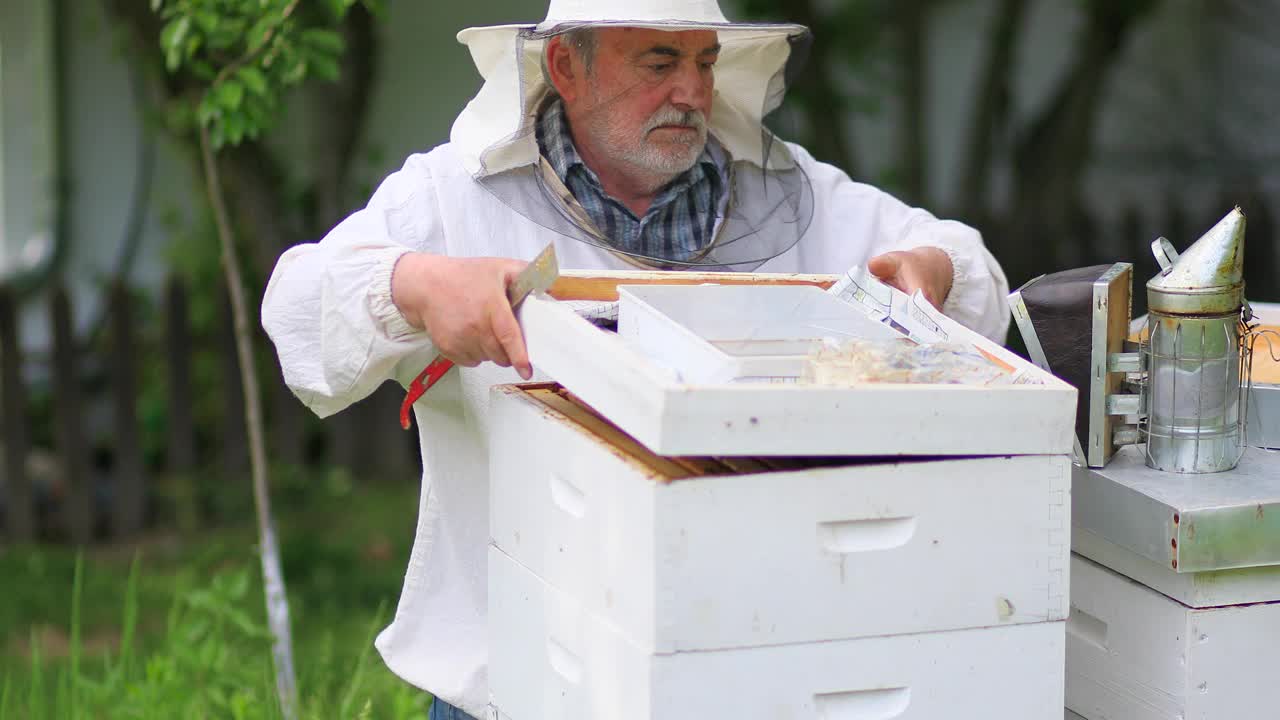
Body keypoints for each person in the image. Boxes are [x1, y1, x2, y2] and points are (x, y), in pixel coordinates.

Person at [261, 2, 1010, 718]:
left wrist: (932, 270)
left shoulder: (792, 193)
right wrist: (416, 285)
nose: (691, 90)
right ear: (566, 65)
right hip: (508, 678)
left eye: (705, 60)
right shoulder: (452, 200)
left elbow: (968, 270)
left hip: (749, 667)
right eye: (660, 60)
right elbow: (296, 312)